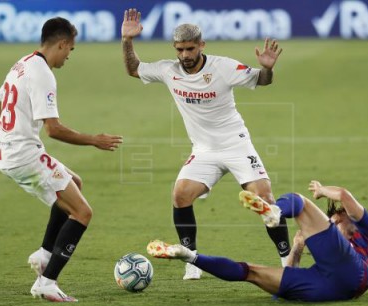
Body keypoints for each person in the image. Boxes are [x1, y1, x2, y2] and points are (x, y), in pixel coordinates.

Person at [121, 8, 290, 280]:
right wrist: (127, 40)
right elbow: (133, 69)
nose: (185, 55)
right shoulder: (169, 70)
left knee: (266, 199)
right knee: (180, 195)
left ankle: (287, 261)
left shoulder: (223, 67)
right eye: (180, 50)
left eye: (190, 49)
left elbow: (262, 80)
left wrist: (267, 69)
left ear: (201, 45)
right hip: (204, 151)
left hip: (236, 145)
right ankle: (191, 260)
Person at [0, 17, 123, 302]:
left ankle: (45, 254)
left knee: (74, 182)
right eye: (70, 50)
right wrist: (94, 140)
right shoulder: (43, 73)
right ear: (61, 44)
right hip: (23, 155)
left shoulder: (21, 63)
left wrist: (8, 135)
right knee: (83, 213)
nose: (69, 56)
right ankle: (47, 282)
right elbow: (54, 129)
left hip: (5, 151)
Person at [147, 181, 368, 301]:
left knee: (298, 200)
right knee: (251, 272)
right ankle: (189, 256)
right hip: (335, 289)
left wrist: (322, 190)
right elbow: (290, 274)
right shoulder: (337, 247)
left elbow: (343, 195)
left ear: (347, 217)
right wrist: (298, 248)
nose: (332, 226)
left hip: (354, 273)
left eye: (336, 222)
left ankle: (276, 211)